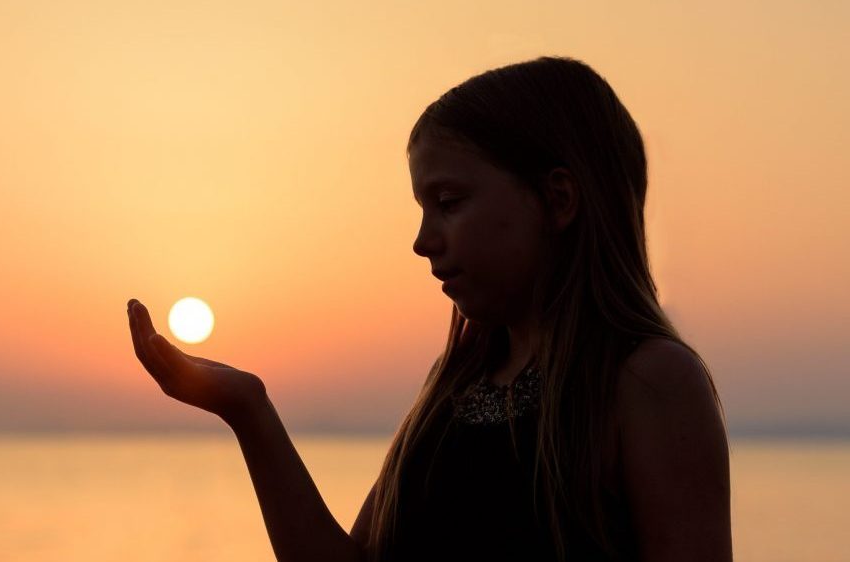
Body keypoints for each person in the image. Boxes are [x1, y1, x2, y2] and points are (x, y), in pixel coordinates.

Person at [126, 55, 732, 562]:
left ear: (558, 199)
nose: (423, 240)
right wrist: (248, 409)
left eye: (448, 202)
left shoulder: (648, 382)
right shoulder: (455, 390)